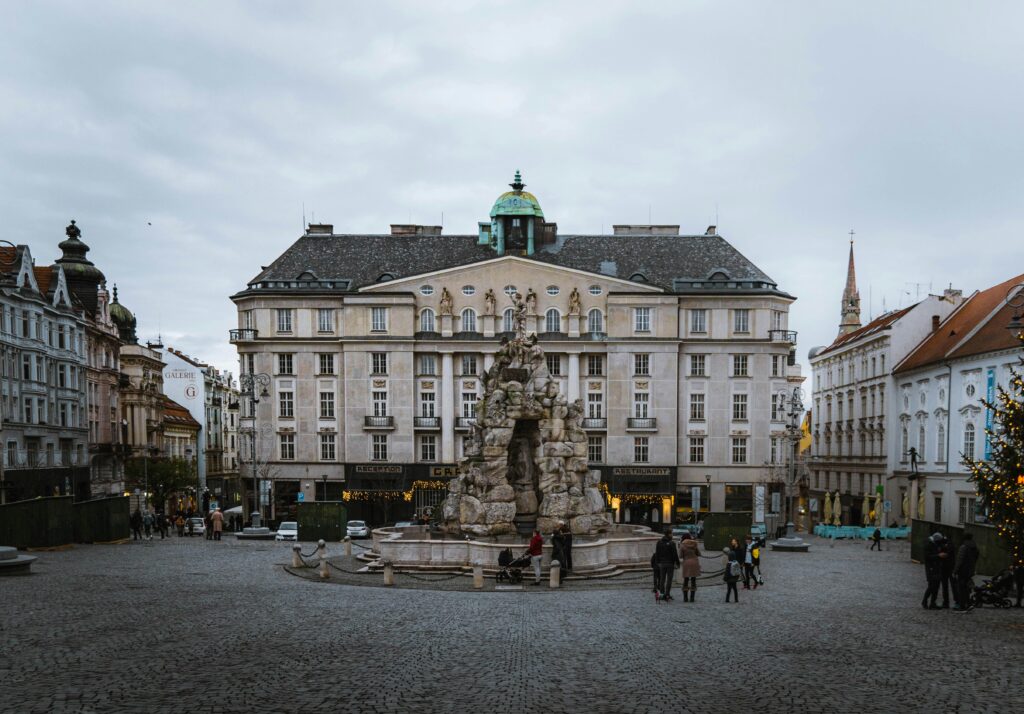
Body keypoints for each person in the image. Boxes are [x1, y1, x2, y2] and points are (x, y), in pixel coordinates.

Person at [952, 532, 979, 612]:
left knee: (961, 588)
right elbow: (976, 558)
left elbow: (959, 560)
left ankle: (962, 605)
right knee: (967, 588)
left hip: (962, 570)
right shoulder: (975, 547)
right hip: (970, 570)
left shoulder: (963, 547)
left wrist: (955, 571)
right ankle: (968, 604)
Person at [653, 530, 680, 601]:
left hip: (662, 563)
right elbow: (675, 554)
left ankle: (662, 594)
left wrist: (658, 562)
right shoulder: (672, 543)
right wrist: (677, 563)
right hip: (670, 563)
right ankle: (667, 594)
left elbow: (657, 553)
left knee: (662, 579)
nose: (672, 535)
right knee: (669, 579)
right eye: (672, 534)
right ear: (669, 534)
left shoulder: (659, 542)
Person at [922, 532, 944, 609]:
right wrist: (938, 555)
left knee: (936, 586)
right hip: (931, 569)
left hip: (937, 568)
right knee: (931, 586)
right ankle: (924, 601)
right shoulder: (929, 545)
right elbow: (927, 557)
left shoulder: (936, 545)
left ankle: (932, 603)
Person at [678, 533, 701, 602]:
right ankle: (692, 598)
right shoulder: (694, 544)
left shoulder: (682, 545)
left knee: (686, 580)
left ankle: (685, 598)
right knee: (693, 580)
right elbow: (699, 554)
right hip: (694, 562)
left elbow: (680, 556)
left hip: (687, 563)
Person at [938, 534, 955, 608]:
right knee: (949, 585)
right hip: (949, 567)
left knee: (949, 586)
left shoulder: (946, 546)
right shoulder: (950, 545)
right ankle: (947, 602)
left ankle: (946, 602)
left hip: (946, 567)